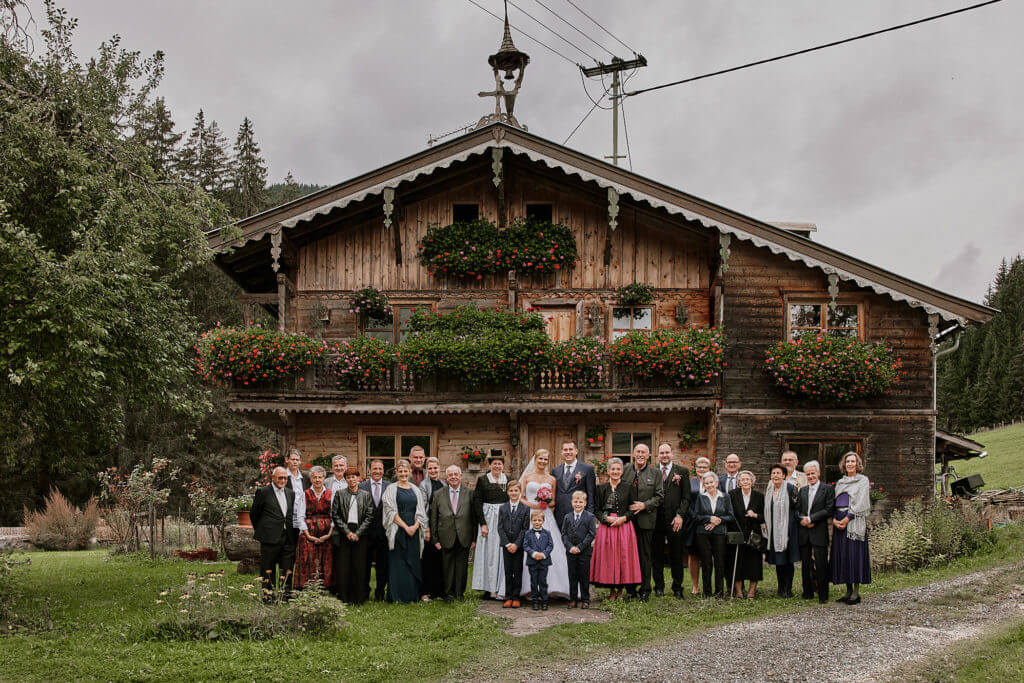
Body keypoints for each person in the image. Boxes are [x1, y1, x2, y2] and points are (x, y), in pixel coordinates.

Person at [518, 449, 570, 599]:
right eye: (540, 458)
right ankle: (526, 588)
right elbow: (520, 497)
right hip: (530, 514)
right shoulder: (527, 477)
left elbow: (553, 501)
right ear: (535, 459)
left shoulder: (551, 479)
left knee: (550, 547)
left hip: (546, 515)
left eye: (545, 459)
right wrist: (532, 505)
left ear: (548, 461)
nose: (542, 462)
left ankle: (551, 587)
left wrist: (545, 502)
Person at [590, 457, 641, 602]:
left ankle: (620, 590)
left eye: (618, 469)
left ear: (622, 471)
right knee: (609, 557)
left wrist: (623, 518)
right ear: (608, 471)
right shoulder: (601, 489)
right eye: (612, 469)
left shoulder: (629, 487)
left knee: (623, 557)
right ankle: (612, 590)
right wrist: (606, 519)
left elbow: (633, 509)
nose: (615, 471)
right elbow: (597, 510)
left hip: (624, 526)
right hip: (607, 527)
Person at [429, 465, 482, 601]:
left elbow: (474, 517)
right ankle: (447, 593)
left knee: (462, 567)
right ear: (446, 478)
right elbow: (433, 517)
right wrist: (435, 539)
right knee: (447, 566)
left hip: (464, 535)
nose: (453, 477)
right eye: (450, 475)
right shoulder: (438, 494)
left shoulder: (469, 493)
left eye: (455, 474)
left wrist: (474, 539)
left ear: (460, 476)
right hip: (445, 535)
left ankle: (459, 593)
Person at [382, 459, 429, 604]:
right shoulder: (391, 489)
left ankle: (412, 596)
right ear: (396, 473)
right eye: (400, 471)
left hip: (414, 531)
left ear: (409, 472)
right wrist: (405, 527)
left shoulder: (416, 489)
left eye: (405, 471)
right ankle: (397, 596)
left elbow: (421, 511)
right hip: (398, 531)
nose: (403, 474)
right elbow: (390, 511)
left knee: (413, 562)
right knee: (398, 564)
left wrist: (415, 527)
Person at [621, 443, 664, 601]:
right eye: (638, 451)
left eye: (643, 452)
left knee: (644, 555)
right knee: (628, 556)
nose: (640, 454)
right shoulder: (625, 470)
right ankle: (630, 589)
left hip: (646, 521)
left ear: (648, 455)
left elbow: (660, 496)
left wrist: (644, 505)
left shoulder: (656, 472)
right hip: (627, 521)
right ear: (633, 454)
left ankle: (645, 589)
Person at [251, 466, 296, 602]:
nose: (283, 480)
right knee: (268, 568)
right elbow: (254, 514)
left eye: (285, 478)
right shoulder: (263, 492)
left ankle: (285, 596)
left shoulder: (290, 493)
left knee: (287, 568)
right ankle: (268, 596)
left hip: (287, 536)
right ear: (273, 478)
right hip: (269, 537)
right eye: (280, 478)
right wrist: (264, 530)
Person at [832, 452, 872, 605]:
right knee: (843, 556)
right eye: (847, 461)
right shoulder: (841, 482)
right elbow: (835, 502)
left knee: (854, 556)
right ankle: (847, 591)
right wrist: (835, 520)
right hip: (839, 522)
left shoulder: (862, 481)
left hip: (853, 522)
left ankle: (856, 592)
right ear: (844, 464)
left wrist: (847, 518)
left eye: (852, 461)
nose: (850, 464)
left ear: (857, 464)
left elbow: (862, 503)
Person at [652, 442, 691, 599]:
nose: (664, 455)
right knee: (657, 555)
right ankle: (659, 587)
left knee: (676, 554)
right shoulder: (653, 470)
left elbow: (686, 497)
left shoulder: (682, 472)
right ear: (658, 455)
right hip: (656, 520)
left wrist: (680, 515)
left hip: (675, 520)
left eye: (667, 452)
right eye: (661, 453)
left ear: (672, 453)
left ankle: (677, 587)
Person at [330, 467, 373, 604]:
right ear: (346, 479)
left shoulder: (366, 495)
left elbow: (369, 516)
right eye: (348, 477)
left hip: (361, 533)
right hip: (344, 533)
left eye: (354, 477)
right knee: (344, 566)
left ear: (359, 478)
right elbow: (335, 515)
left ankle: (358, 598)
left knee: (359, 566)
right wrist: (347, 532)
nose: (351, 479)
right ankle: (344, 597)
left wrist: (358, 533)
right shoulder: (340, 494)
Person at [798, 460, 836, 603]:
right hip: (804, 531)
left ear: (818, 473)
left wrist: (811, 519)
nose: (810, 476)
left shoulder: (827, 489)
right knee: (805, 564)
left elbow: (829, 509)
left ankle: (823, 594)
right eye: (808, 474)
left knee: (821, 564)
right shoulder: (803, 490)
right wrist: (802, 519)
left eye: (813, 473)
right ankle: (807, 592)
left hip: (819, 530)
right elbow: (799, 510)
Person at [693, 471, 735, 598]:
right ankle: (706, 592)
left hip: (719, 533)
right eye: (706, 483)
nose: (709, 485)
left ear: (716, 483)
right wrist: (709, 518)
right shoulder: (701, 497)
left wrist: (718, 521)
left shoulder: (725, 496)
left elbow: (731, 516)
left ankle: (719, 592)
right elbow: (696, 516)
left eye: (711, 482)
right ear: (704, 485)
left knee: (719, 562)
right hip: (703, 533)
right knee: (706, 563)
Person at [471, 454, 508, 597]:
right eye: (494, 464)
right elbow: (477, 501)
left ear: (503, 466)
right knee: (488, 552)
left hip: (503, 519)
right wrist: (483, 524)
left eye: (499, 464)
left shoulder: (508, 480)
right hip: (488, 519)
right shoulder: (482, 480)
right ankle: (487, 587)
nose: (497, 466)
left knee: (501, 552)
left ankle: (500, 586)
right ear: (490, 465)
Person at [294, 465, 334, 590]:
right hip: (308, 534)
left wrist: (329, 534)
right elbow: (300, 516)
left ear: (324, 479)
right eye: (314, 477)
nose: (317, 480)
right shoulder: (304, 494)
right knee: (308, 560)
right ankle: (306, 588)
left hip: (326, 535)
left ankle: (324, 588)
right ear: (311, 479)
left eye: (320, 477)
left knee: (325, 562)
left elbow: (334, 516)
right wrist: (308, 535)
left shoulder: (330, 494)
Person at [764, 462, 801, 598]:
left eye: (778, 473)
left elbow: (798, 507)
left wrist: (793, 522)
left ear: (784, 475)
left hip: (788, 530)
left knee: (787, 560)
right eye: (773, 473)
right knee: (779, 560)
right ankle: (780, 588)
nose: (775, 475)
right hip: (774, 530)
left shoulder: (790, 489)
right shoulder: (769, 490)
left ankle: (788, 589)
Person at [728, 470, 764, 599]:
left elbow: (764, 517)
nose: (745, 481)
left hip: (754, 535)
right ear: (739, 482)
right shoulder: (732, 495)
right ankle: (739, 592)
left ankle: (752, 591)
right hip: (738, 533)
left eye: (748, 479)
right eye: (742, 479)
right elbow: (729, 514)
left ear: (752, 481)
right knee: (737, 563)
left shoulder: (759, 496)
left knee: (754, 563)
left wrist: (755, 515)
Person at [359, 459, 392, 601]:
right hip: (366, 533)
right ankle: (365, 592)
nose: (377, 471)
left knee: (382, 565)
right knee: (365, 564)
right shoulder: (361, 486)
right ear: (369, 470)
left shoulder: (390, 487)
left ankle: (380, 592)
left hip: (384, 533)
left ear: (383, 470)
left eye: (380, 468)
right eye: (374, 468)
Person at [560, 491, 596, 609]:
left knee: (584, 576)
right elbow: (564, 533)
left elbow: (591, 534)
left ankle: (585, 599)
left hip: (584, 552)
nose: (578, 504)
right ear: (572, 503)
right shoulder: (567, 517)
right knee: (572, 576)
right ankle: (573, 599)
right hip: (571, 552)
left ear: (585, 503)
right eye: (576, 502)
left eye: (580, 502)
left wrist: (580, 547)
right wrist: (570, 547)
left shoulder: (590, 517)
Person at [498, 480, 530, 608]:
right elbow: (500, 528)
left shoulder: (525, 508)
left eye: (516, 490)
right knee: (507, 571)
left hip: (518, 545)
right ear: (507, 492)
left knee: (517, 571)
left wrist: (516, 544)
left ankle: (516, 596)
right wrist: (507, 544)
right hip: (506, 546)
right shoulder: (503, 508)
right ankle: (508, 596)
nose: (514, 493)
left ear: (520, 492)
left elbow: (525, 528)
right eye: (511, 491)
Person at [418, 456, 445, 601]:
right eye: (430, 468)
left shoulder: (444, 484)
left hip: (442, 526)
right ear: (426, 470)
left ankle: (438, 592)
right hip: (430, 524)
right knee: (427, 560)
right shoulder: (424, 485)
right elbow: (422, 508)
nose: (433, 470)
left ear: (439, 468)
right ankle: (425, 592)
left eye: (435, 468)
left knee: (440, 560)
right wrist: (426, 528)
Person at [552, 440, 596, 526]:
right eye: (565, 450)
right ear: (561, 452)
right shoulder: (555, 470)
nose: (568, 452)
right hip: (559, 514)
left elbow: (591, 494)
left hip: (579, 514)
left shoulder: (587, 469)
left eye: (571, 449)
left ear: (576, 451)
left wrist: (589, 515)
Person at [684, 456, 712, 595]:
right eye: (699, 467)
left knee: (707, 554)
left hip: (709, 523)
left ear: (709, 469)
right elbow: (686, 501)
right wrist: (694, 516)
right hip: (693, 523)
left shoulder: (713, 482)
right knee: (693, 554)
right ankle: (695, 586)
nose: (701, 469)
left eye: (704, 467)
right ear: (696, 469)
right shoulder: (690, 483)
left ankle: (708, 585)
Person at [524, 510, 554, 611]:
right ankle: (535, 601)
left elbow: (550, 545)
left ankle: (544, 601)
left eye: (539, 520)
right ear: (531, 521)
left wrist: (543, 554)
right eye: (535, 520)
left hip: (544, 562)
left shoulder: (547, 533)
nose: (537, 522)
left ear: (543, 521)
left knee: (543, 582)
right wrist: (534, 553)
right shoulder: (528, 533)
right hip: (532, 562)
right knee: (533, 582)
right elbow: (526, 545)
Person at [284, 448, 310, 548]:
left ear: (300, 461)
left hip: (303, 518)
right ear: (287, 460)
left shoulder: (306, 478)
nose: (295, 462)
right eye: (292, 459)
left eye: (297, 460)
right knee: (289, 548)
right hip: (289, 519)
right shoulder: (283, 476)